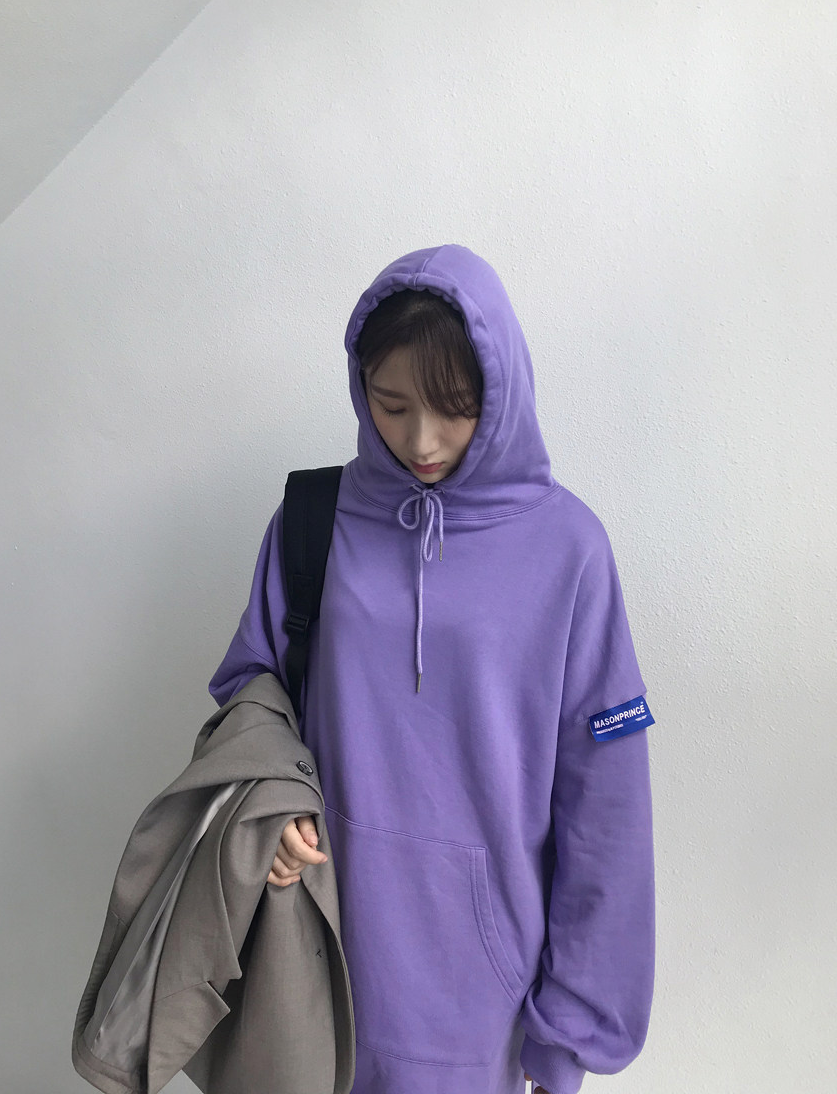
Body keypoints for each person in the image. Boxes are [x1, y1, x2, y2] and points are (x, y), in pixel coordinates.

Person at [208, 244, 656, 1094]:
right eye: (392, 405)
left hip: (483, 999)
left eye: (456, 409)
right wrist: (269, 808)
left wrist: (571, 1031)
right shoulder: (313, 518)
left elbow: (607, 805)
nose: (421, 440)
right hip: (313, 957)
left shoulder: (570, 551)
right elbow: (251, 688)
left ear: (502, 390)